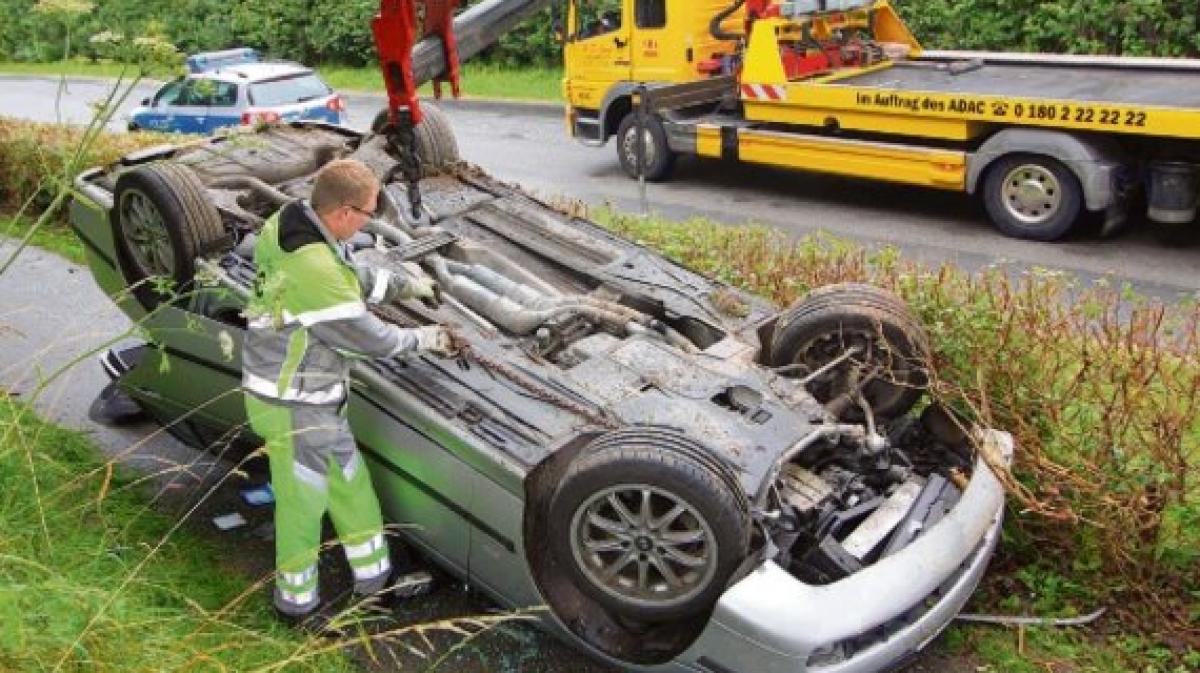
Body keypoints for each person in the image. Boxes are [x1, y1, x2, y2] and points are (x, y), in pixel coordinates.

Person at [241, 158, 459, 627]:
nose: (370, 220)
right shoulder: (312, 268)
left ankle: (375, 583)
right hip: (292, 404)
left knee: (350, 487)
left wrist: (407, 285)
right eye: (367, 212)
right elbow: (372, 339)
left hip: (313, 400)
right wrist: (427, 339)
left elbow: (350, 276)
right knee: (304, 505)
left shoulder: (293, 223)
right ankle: (295, 607)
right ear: (343, 212)